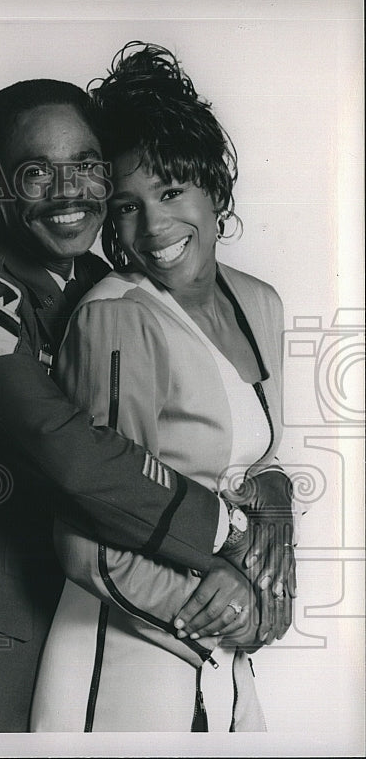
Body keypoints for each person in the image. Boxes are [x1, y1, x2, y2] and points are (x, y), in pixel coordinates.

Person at [0, 77, 294, 732]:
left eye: (88, 167)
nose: (70, 192)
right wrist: (230, 537)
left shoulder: (96, 286)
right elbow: (70, 448)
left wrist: (274, 499)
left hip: (77, 626)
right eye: (38, 172)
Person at [30, 42, 300, 732]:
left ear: (214, 187)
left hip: (223, 663)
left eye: (171, 191)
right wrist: (233, 609)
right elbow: (89, 534)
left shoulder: (258, 303)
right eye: (125, 206)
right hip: (126, 660)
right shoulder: (119, 316)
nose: (152, 228)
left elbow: (252, 461)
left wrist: (277, 496)